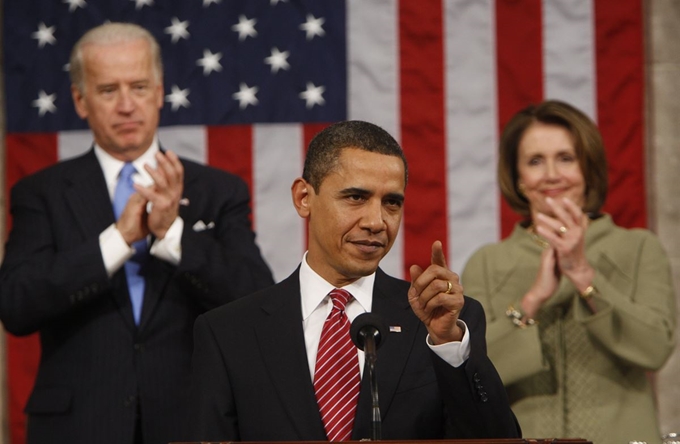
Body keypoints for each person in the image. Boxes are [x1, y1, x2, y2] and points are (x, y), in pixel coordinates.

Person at [0, 22, 274, 444]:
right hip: (77, 428)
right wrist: (118, 240)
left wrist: (172, 236)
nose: (127, 105)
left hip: (189, 424)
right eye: (109, 90)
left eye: (140, 87)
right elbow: (16, 306)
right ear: (80, 100)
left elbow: (256, 301)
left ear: (161, 92)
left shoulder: (218, 191)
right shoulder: (42, 193)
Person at [187, 120, 521, 441]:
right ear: (304, 197)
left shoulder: (443, 322)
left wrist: (449, 345)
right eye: (356, 198)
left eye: (391, 203)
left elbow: (494, 440)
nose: (377, 222)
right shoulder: (228, 333)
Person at [462, 100, 676, 444]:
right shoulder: (486, 263)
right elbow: (471, 379)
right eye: (535, 161)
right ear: (517, 179)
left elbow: (655, 349)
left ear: (588, 169)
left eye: (566, 158)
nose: (551, 174)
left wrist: (584, 277)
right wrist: (531, 301)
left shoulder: (638, 248)